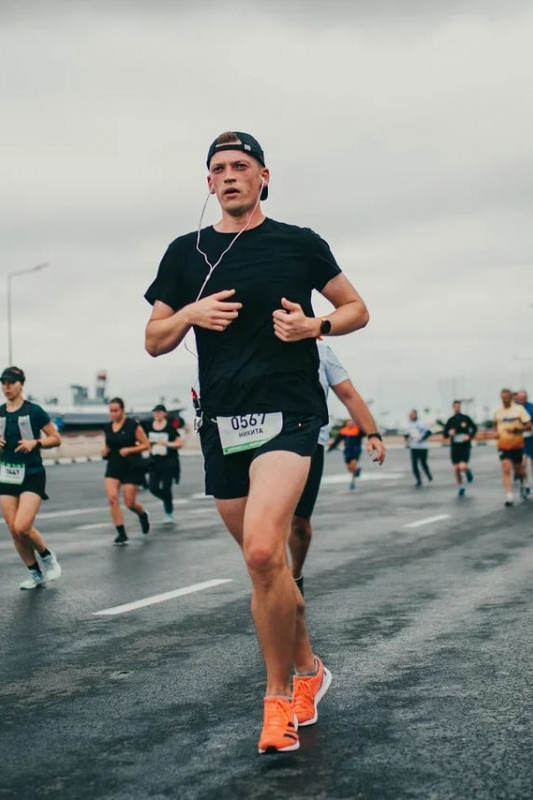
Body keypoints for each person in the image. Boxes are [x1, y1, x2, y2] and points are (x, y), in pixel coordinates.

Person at [144, 131, 369, 754]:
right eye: (218, 169)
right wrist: (189, 314)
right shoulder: (185, 254)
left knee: (265, 554)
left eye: (241, 166)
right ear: (208, 183)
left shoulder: (299, 243)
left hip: (290, 415)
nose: (230, 176)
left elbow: (357, 309)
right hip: (221, 423)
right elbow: (154, 337)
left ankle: (277, 706)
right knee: (267, 567)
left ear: (264, 177)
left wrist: (313, 325)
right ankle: (310, 669)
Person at [290, 342, 384, 601]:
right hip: (262, 439)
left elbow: (348, 394)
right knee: (267, 519)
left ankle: (295, 574)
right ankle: (272, 579)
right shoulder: (256, 342)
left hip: (310, 440)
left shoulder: (321, 351)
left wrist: (373, 433)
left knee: (299, 522)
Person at [0, 366, 64, 589]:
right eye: (3, 383)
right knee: (13, 529)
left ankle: (47, 556)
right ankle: (34, 572)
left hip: (32, 473)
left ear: (21, 384)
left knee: (22, 526)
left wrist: (35, 443)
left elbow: (55, 438)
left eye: (11, 382)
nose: (6, 387)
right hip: (8, 474)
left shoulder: (34, 411)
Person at [103, 397, 152, 545]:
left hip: (131, 466)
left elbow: (146, 445)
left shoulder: (133, 425)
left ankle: (142, 514)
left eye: (116, 410)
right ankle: (121, 533)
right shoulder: (107, 427)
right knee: (112, 499)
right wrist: (105, 451)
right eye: (110, 411)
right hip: (114, 465)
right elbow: (109, 445)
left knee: (130, 503)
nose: (113, 413)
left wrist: (130, 449)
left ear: (122, 410)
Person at [144, 403, 183, 524]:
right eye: (155, 412)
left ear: (164, 414)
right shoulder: (149, 426)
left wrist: (167, 444)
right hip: (154, 461)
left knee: (167, 487)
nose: (157, 414)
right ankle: (167, 500)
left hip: (168, 461)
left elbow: (179, 443)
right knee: (153, 487)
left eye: (160, 412)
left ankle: (168, 512)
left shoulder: (170, 427)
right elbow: (143, 441)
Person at [492, 388, 531, 507]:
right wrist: (495, 433)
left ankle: (523, 481)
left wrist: (518, 429)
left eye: (506, 399)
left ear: (511, 398)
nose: (504, 401)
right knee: (506, 468)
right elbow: (495, 425)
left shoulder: (519, 410)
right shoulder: (497, 411)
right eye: (502, 399)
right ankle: (509, 495)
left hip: (517, 443)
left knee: (518, 469)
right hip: (503, 444)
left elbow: (529, 426)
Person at [442, 400, 478, 497]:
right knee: (456, 468)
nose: (457, 408)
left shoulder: (465, 418)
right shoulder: (450, 420)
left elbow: (474, 428)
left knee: (463, 466)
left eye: (459, 406)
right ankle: (461, 486)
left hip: (464, 445)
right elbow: (444, 434)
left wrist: (469, 436)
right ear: (453, 407)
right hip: (455, 446)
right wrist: (449, 433)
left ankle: (468, 472)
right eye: (456, 406)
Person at [327, 419, 364, 491]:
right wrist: (330, 448)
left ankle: (352, 483)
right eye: (349, 423)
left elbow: (365, 433)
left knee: (353, 465)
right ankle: (357, 471)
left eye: (352, 422)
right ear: (346, 424)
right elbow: (337, 441)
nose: (350, 424)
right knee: (349, 468)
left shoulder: (358, 430)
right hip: (347, 451)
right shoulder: (344, 431)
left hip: (356, 451)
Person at [404, 409, 433, 488]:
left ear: (416, 415)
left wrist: (422, 438)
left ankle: (428, 475)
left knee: (423, 463)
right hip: (414, 447)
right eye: (410, 415)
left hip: (423, 447)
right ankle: (418, 480)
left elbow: (429, 432)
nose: (411, 416)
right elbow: (406, 434)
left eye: (412, 414)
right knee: (414, 464)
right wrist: (406, 441)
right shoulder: (409, 425)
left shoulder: (422, 423)